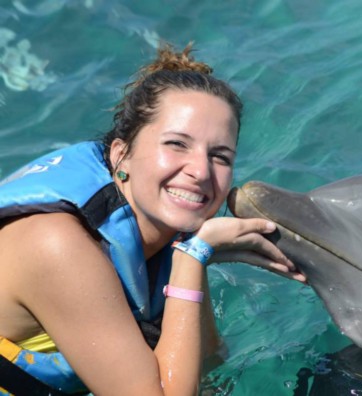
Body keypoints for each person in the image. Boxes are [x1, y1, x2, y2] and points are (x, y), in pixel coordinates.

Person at [0, 42, 306, 395]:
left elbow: (209, 364)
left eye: (220, 156)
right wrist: (196, 256)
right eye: (177, 144)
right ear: (121, 155)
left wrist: (192, 252)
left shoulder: (159, 229)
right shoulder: (57, 245)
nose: (200, 170)